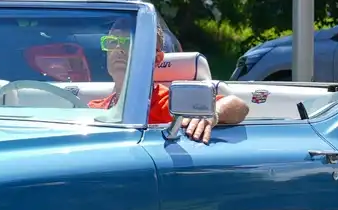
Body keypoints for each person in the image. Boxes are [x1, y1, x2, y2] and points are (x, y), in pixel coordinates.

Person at [89, 23, 246, 142]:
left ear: (156, 59)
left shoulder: (169, 103)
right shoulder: (95, 108)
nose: (118, 49)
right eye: (111, 42)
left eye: (128, 42)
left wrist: (212, 114)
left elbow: (238, 105)